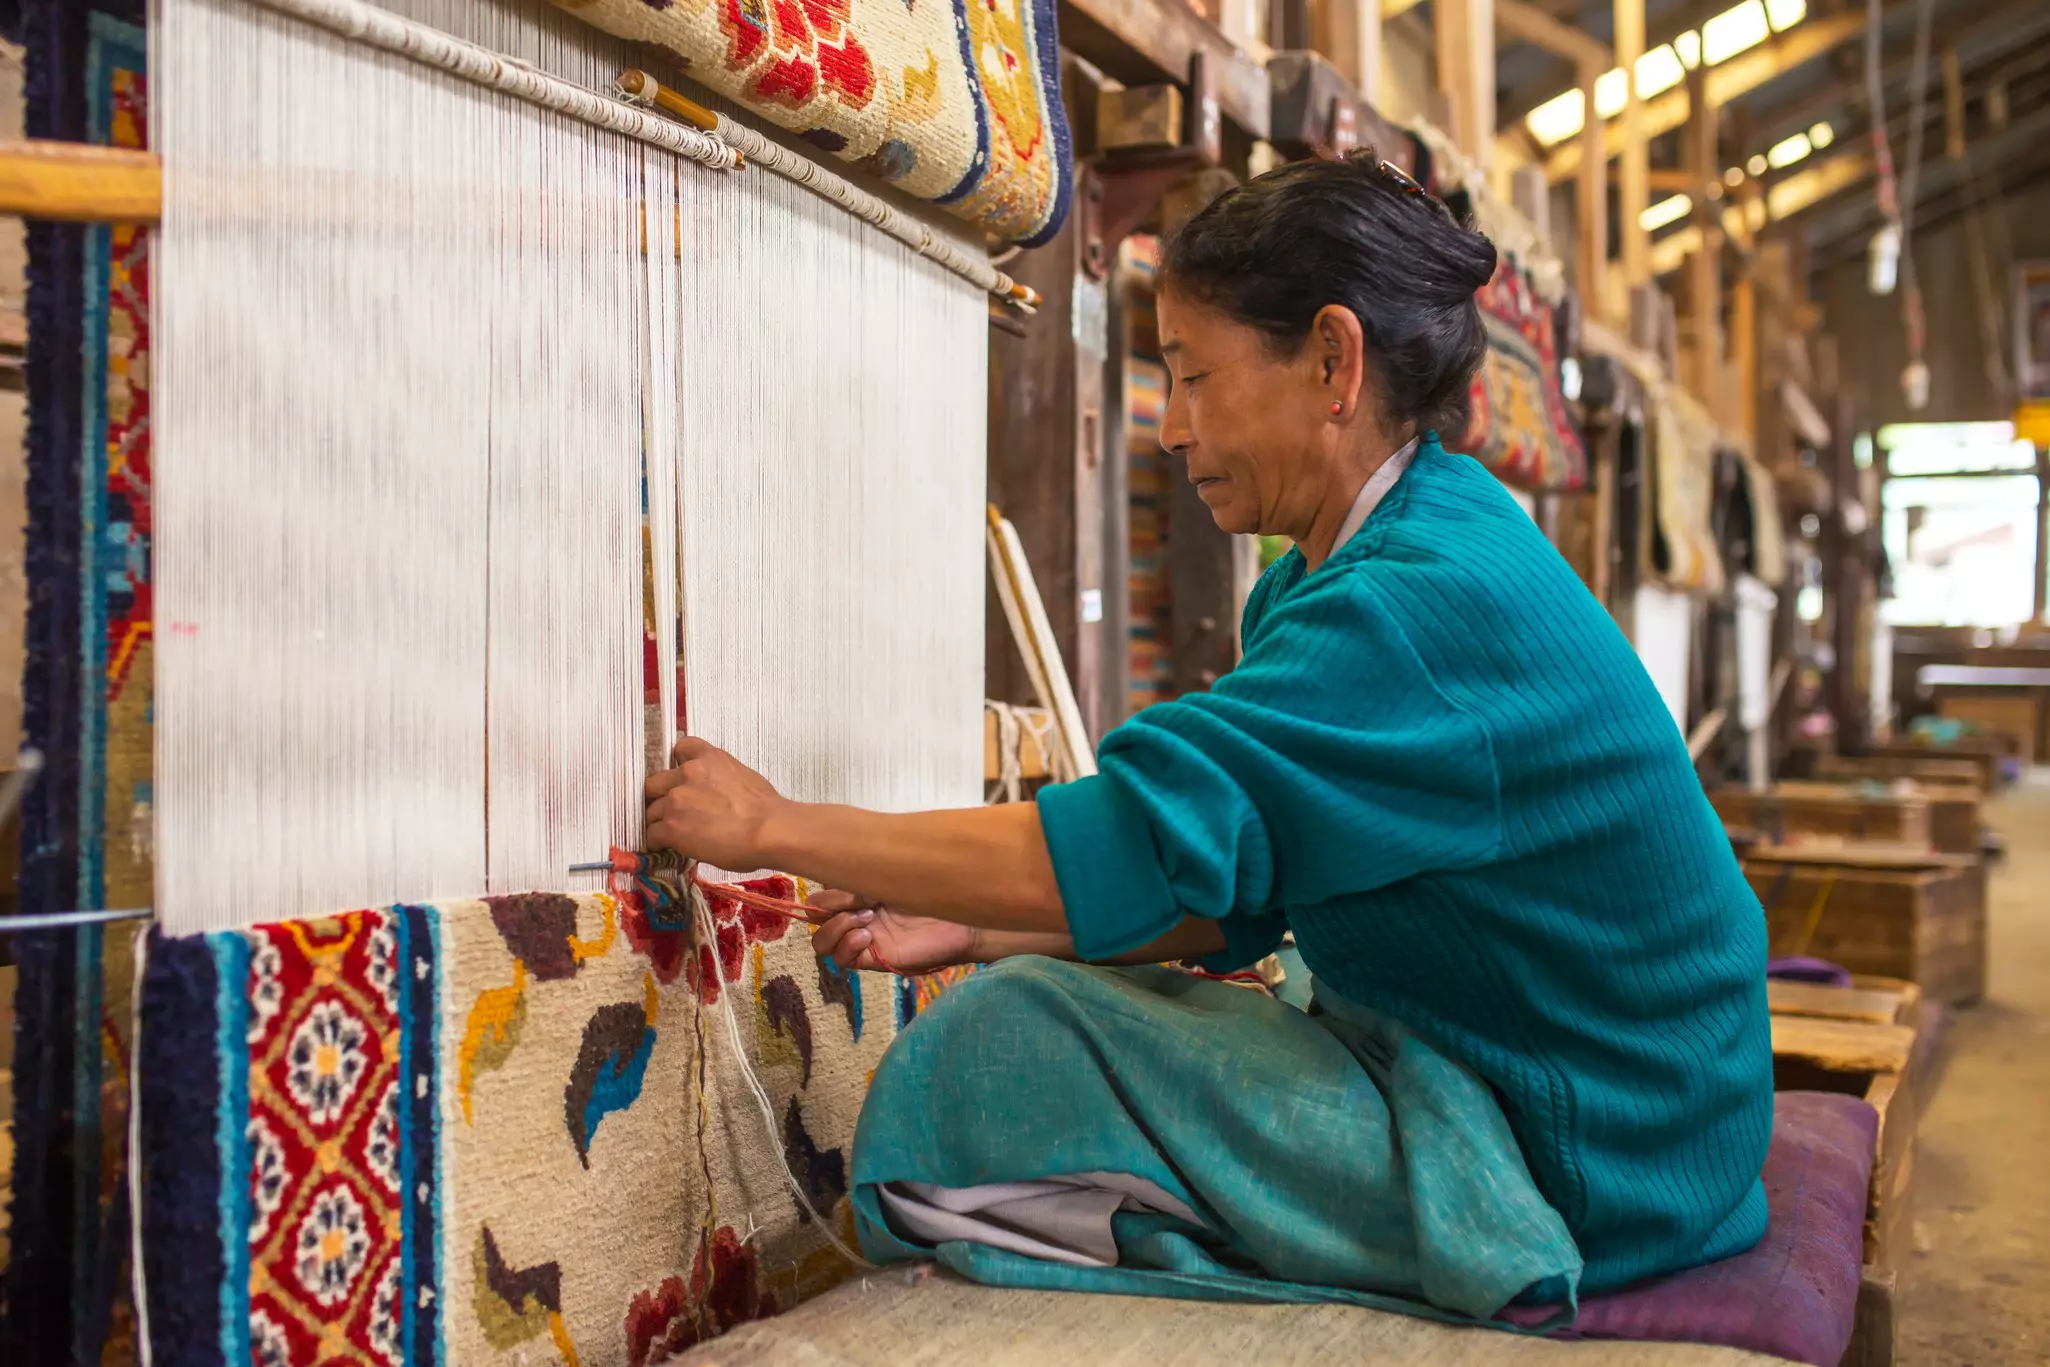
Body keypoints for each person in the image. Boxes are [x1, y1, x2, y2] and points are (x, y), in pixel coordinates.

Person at [641, 151, 1772, 1327]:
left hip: (1589, 1158)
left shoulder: (1405, 609)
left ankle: (1294, 1238)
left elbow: (1141, 838)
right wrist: (979, 921)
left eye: (1192, 377)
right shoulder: (1384, 549)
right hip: (1629, 1104)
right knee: (1050, 989)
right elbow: (1248, 879)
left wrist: (773, 825)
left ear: (1333, 361)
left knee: (989, 1049)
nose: (1171, 427)